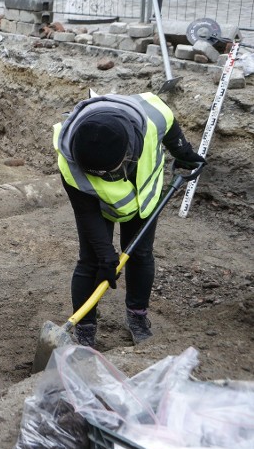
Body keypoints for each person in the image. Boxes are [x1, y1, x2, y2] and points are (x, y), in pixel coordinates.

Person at [53, 93, 205, 347]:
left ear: (127, 156)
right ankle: (85, 328)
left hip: (145, 198)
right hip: (98, 206)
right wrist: (105, 254)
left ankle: (137, 316)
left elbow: (169, 126)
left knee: (140, 255)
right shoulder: (69, 159)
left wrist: (184, 152)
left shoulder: (152, 114)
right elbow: (85, 211)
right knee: (90, 262)